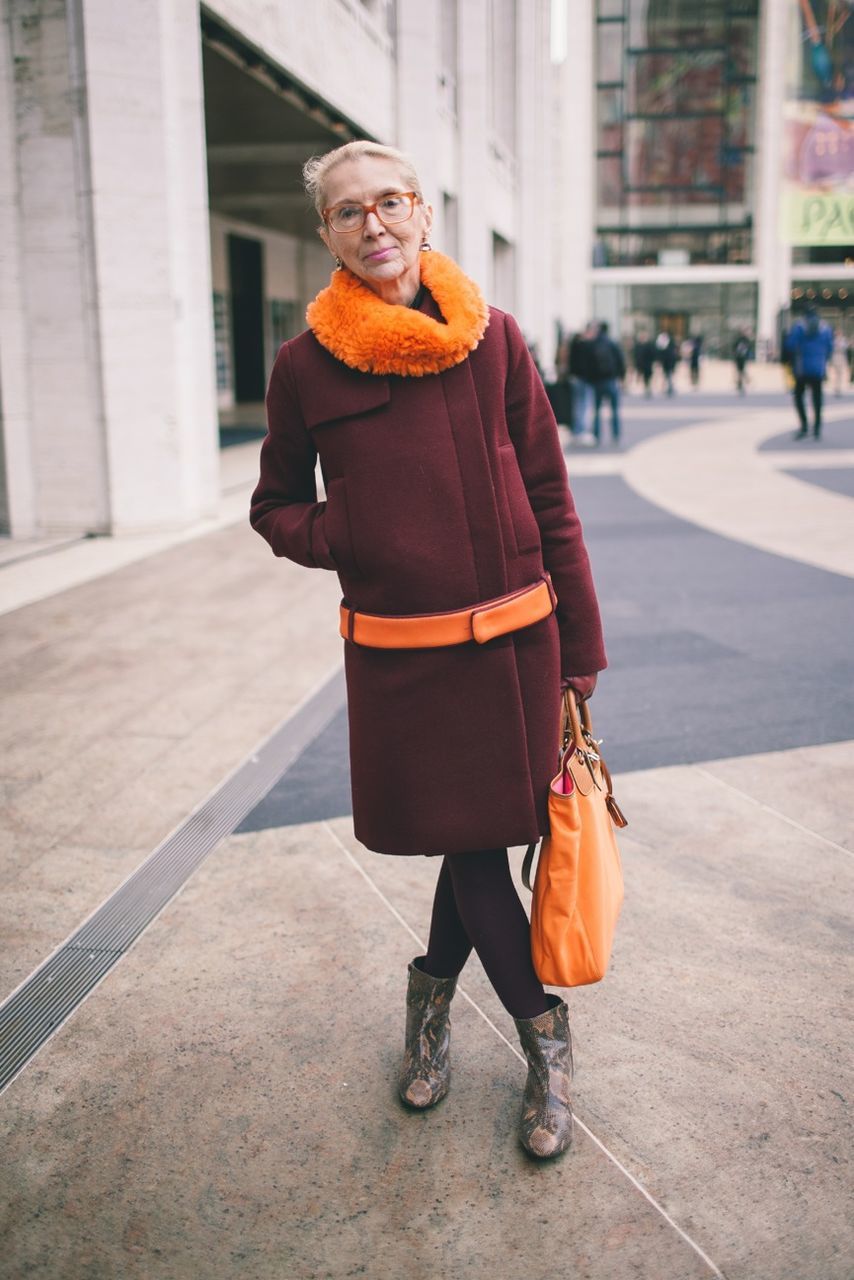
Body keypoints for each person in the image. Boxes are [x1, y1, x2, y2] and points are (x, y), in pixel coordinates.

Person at [250, 141, 607, 1161]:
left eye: (390, 202)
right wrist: (348, 534)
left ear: (424, 214)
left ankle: (435, 1013)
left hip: (515, 650)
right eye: (348, 210)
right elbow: (274, 506)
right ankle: (543, 1034)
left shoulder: (494, 340)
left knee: (476, 841)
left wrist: (578, 651)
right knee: (469, 841)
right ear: (324, 233)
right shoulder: (303, 365)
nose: (373, 224)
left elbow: (549, 495)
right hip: (404, 659)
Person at [784, 307, 834, 439]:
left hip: (802, 369)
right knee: (817, 398)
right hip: (818, 368)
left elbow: (790, 345)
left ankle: (804, 426)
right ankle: (817, 428)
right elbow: (830, 347)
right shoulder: (825, 328)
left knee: (799, 396)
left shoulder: (799, 327)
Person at [589, 321, 626, 445]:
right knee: (614, 410)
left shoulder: (594, 344)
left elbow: (590, 363)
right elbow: (621, 361)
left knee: (597, 410)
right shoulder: (612, 343)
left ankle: (597, 435)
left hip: (597, 382)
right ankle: (615, 435)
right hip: (611, 380)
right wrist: (621, 377)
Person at [568, 323, 597, 439]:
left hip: (576, 377)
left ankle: (578, 429)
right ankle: (580, 429)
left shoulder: (575, 344)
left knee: (578, 404)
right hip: (584, 378)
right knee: (583, 404)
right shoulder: (587, 346)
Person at [632, 330, 655, 397]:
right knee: (644, 377)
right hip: (641, 364)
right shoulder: (638, 346)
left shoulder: (649, 345)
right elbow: (636, 355)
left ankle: (648, 388)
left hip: (647, 364)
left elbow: (652, 354)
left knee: (647, 377)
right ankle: (646, 388)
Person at [655, 330, 678, 395]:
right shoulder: (662, 344)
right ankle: (668, 388)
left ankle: (669, 388)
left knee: (668, 376)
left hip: (669, 363)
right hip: (666, 363)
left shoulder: (669, 344)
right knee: (667, 376)